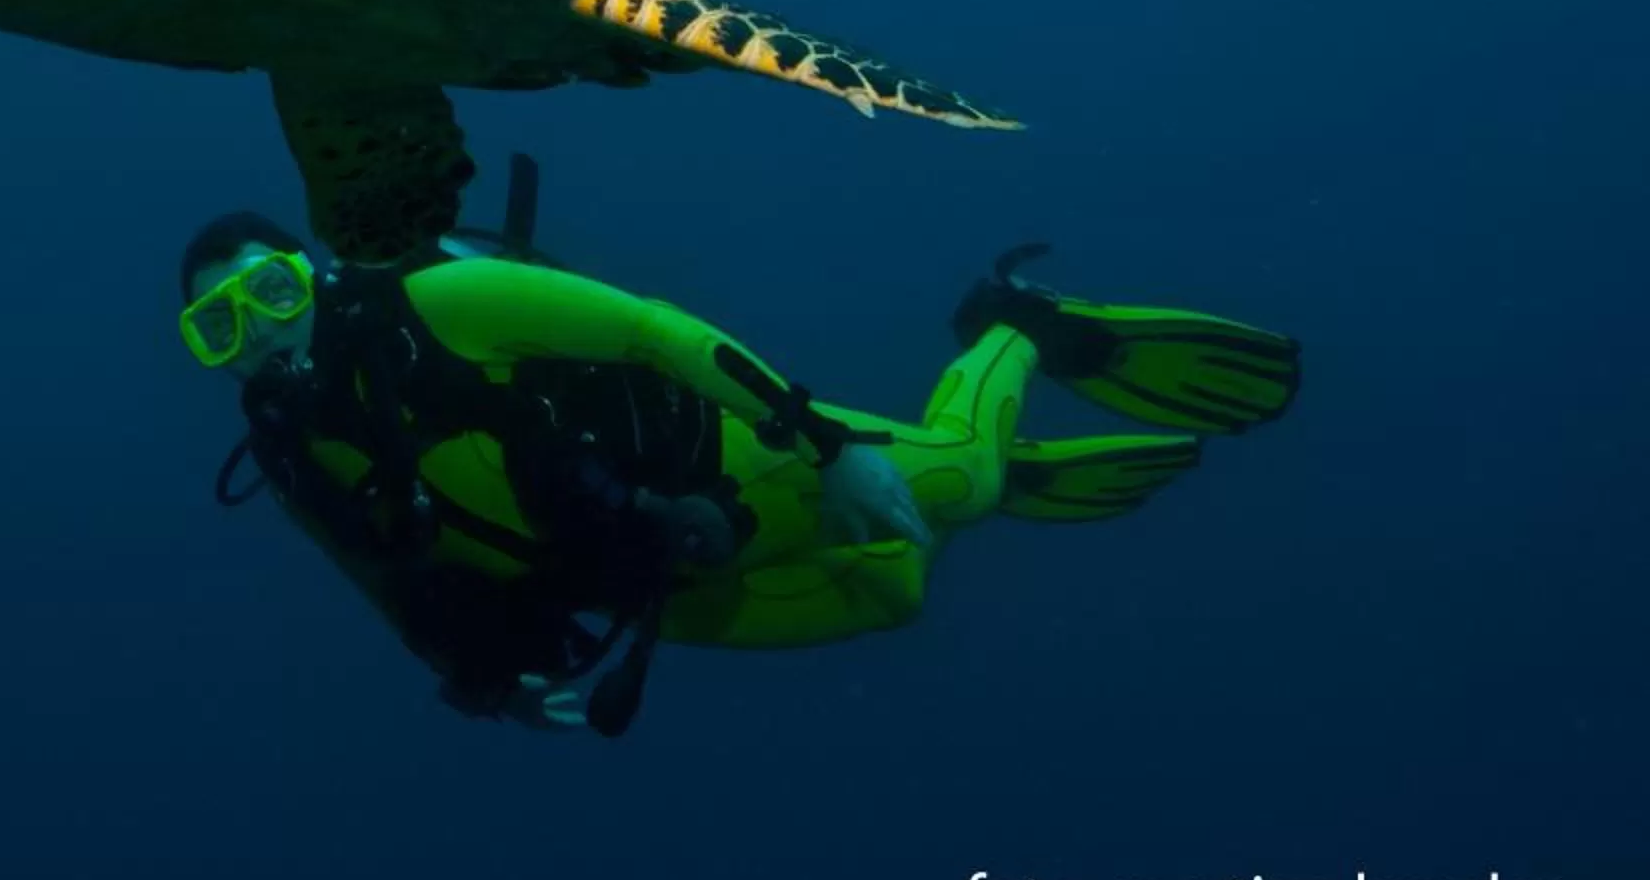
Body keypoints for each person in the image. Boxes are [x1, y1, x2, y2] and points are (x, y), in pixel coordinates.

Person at [180, 156, 1302, 737]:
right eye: (220, 323)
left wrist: (822, 444)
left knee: (959, 482)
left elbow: (652, 330)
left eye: (271, 289)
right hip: (654, 573)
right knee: (897, 594)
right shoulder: (291, 454)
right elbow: (380, 575)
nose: (263, 328)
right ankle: (951, 472)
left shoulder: (442, 299)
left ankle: (1011, 330)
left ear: (320, 273)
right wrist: (487, 681)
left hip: (738, 465)